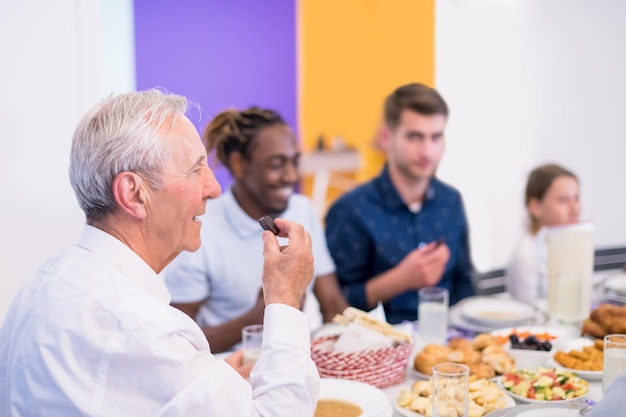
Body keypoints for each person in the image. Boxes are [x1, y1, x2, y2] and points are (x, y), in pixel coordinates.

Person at [0, 90, 320, 416]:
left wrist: (209, 387)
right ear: (134, 194)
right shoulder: (140, 329)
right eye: (195, 170)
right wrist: (284, 300)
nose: (214, 188)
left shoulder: (48, 278)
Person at [162, 106, 348, 353]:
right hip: (229, 370)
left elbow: (333, 304)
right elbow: (178, 342)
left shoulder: (302, 210)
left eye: (294, 162)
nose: (291, 176)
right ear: (239, 165)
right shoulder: (201, 226)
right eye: (276, 164)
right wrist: (262, 314)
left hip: (294, 357)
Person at [325, 82, 475, 324]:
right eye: (414, 137)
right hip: (375, 347)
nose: (427, 151)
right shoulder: (350, 210)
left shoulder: (451, 201)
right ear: (387, 138)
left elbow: (465, 285)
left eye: (436, 137)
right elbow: (334, 306)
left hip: (446, 342)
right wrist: (399, 279)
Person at [506, 163, 580, 302]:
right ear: (535, 207)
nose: (574, 207)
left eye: (576, 198)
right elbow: (527, 315)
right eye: (563, 200)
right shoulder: (526, 256)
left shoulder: (569, 248)